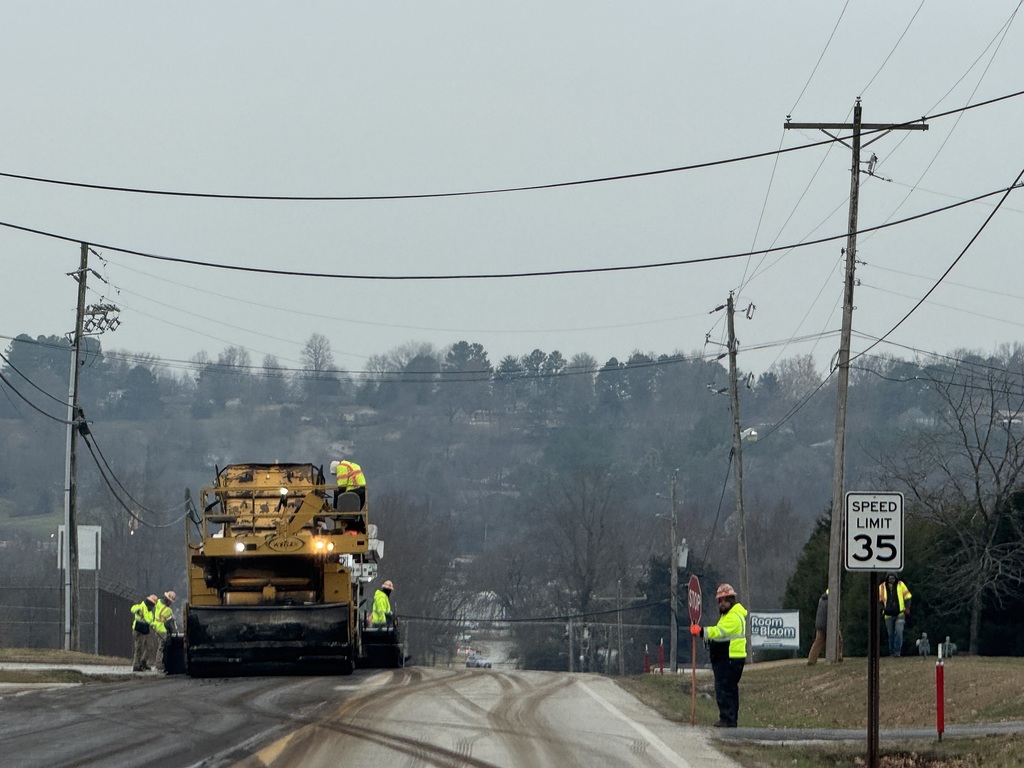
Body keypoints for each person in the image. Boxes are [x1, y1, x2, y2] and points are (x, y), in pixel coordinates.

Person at [690, 583, 747, 728]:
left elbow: (719, 632)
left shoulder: (733, 617)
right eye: (720, 601)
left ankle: (728, 720)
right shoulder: (730, 615)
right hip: (728, 658)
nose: (722, 603)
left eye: (725, 600)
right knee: (728, 690)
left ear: (732, 600)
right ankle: (729, 719)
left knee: (725, 690)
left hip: (730, 658)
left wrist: (701, 631)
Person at [878, 572, 912, 657]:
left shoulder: (901, 585)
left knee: (899, 631)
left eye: (893, 578)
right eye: (890, 578)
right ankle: (892, 652)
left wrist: (907, 608)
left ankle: (897, 652)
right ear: (887, 578)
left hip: (900, 613)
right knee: (890, 634)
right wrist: (882, 609)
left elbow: (908, 596)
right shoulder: (881, 587)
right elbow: (879, 600)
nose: (891, 580)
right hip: (888, 615)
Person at [806, 588, 842, 665]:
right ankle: (838, 656)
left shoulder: (821, 600)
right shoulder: (830, 601)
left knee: (818, 641)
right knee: (838, 639)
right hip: (827, 624)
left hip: (819, 624)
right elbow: (832, 614)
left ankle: (811, 660)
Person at [130, 594, 157, 672]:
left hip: (146, 631)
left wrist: (154, 626)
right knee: (139, 648)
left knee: (150, 647)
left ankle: (143, 662)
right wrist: (138, 611)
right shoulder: (141, 607)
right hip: (139, 630)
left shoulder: (150, 612)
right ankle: (136, 665)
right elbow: (133, 608)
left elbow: (150, 621)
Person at [152, 591, 177, 672]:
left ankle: (158, 662)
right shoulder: (167, 610)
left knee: (160, 644)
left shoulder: (158, 602)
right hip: (162, 629)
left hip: (155, 626)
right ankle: (159, 663)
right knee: (162, 646)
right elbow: (169, 623)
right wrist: (173, 631)